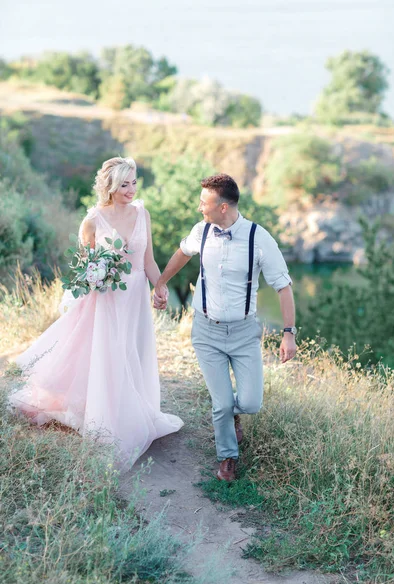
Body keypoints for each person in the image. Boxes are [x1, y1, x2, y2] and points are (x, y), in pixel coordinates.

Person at [10, 157, 183, 470]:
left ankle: (134, 408)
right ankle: (108, 419)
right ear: (110, 187)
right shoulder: (92, 221)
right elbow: (86, 267)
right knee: (109, 355)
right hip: (107, 300)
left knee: (133, 352)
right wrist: (95, 277)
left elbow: (148, 260)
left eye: (133, 182)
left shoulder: (142, 213)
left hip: (135, 300)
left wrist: (160, 287)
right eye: (124, 184)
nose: (131, 189)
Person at [154, 174, 296, 482]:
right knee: (220, 403)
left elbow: (283, 287)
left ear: (223, 207)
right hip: (206, 331)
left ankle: (235, 413)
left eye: (204, 202)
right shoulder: (200, 231)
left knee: (250, 402)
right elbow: (182, 253)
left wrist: (288, 332)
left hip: (244, 333)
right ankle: (228, 457)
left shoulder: (259, 238)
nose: (199, 207)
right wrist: (161, 282)